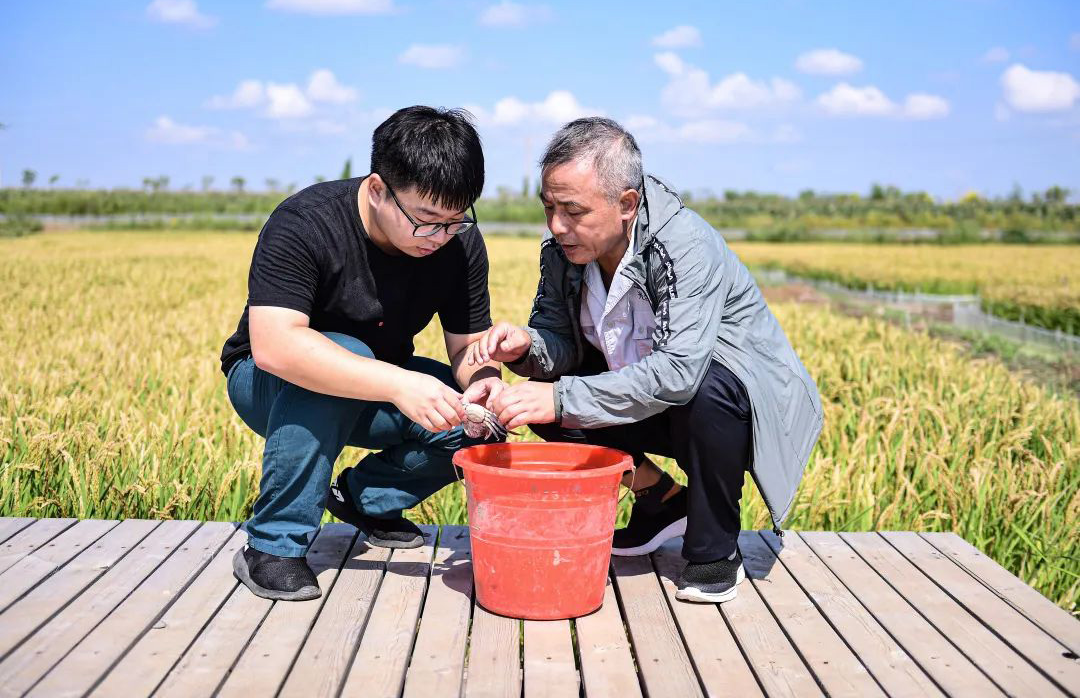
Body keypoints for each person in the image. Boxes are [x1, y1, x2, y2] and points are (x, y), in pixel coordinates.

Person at [466, 117, 823, 603]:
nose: (556, 225)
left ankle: (715, 552)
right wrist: (527, 348)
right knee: (538, 401)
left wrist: (561, 395)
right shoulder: (562, 254)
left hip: (727, 411)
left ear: (627, 204)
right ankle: (659, 500)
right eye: (549, 207)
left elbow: (680, 372)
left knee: (708, 392)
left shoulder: (685, 247)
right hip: (642, 392)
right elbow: (561, 343)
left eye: (572, 210)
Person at [220, 106, 503, 600]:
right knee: (339, 353)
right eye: (426, 221)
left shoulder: (458, 245)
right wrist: (397, 383)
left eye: (455, 221)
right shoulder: (305, 222)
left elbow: (467, 347)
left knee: (474, 422)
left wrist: (485, 386)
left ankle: (366, 499)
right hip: (268, 384)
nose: (439, 237)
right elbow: (275, 346)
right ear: (377, 190)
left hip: (381, 384)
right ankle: (272, 544)